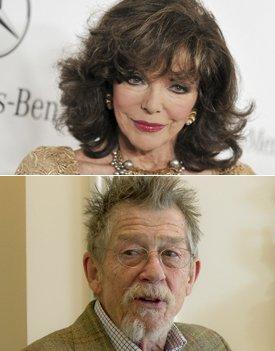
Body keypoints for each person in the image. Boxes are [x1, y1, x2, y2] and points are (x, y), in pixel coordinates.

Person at [16, 0, 253, 175]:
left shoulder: (236, 183)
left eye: (178, 87)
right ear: (107, 85)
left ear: (200, 102)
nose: (151, 105)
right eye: (135, 79)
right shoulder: (49, 173)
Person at [24, 177, 230, 350]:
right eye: (131, 252)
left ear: (191, 276)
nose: (154, 272)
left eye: (170, 254)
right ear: (94, 272)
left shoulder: (211, 344)